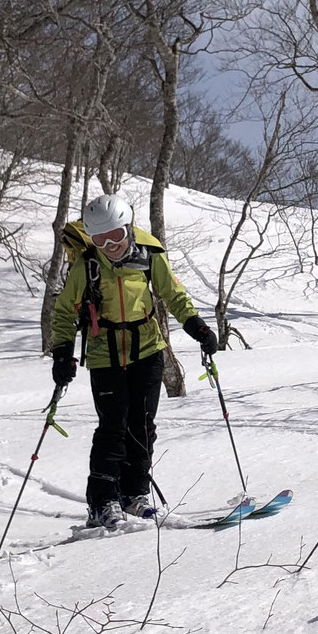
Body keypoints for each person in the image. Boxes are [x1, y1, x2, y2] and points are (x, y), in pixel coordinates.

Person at [48, 194, 219, 530]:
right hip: (104, 354)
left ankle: (134, 495)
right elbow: (65, 312)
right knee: (113, 429)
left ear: (128, 228)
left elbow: (172, 293)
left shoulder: (149, 255)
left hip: (147, 349)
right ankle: (102, 502)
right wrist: (63, 354)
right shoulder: (86, 267)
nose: (111, 245)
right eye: (101, 239)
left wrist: (196, 325)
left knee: (142, 425)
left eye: (117, 236)